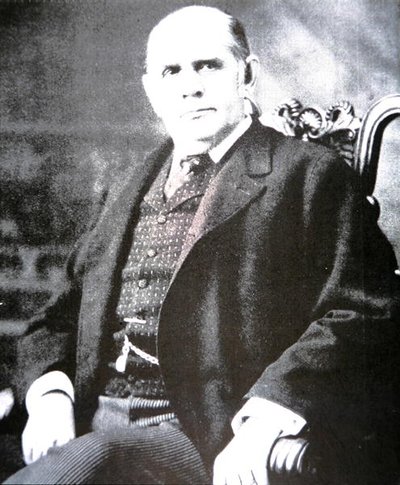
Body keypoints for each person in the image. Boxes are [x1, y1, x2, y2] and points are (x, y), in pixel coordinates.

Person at [3, 5, 400, 485]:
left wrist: (265, 420)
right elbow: (60, 315)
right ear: (151, 90)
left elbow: (364, 311)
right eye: (171, 71)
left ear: (247, 75)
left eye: (208, 66)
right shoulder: (127, 183)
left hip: (203, 428)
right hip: (88, 413)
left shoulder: (309, 175)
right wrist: (50, 398)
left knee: (89, 461)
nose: (190, 86)